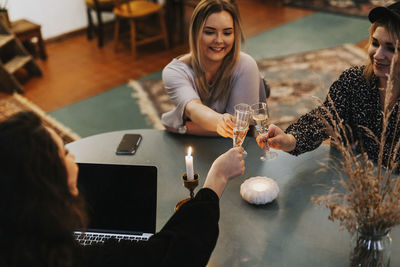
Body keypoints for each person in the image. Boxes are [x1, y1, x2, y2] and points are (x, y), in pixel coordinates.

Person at [0, 111, 245, 267]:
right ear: (47, 180)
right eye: (63, 153)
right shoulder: (73, 257)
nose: (72, 155)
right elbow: (175, 253)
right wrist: (216, 179)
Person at [257, 2, 400, 166]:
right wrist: (290, 139)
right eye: (375, 43)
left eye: (392, 48)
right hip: (350, 182)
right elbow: (323, 120)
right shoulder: (353, 80)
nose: (378, 55)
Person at [161, 0, 266, 138]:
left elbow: (240, 130)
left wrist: (183, 127)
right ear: (195, 33)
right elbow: (194, 109)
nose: (219, 40)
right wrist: (221, 122)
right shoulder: (174, 72)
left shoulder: (246, 64)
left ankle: (261, 86)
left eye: (227, 33)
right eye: (210, 32)